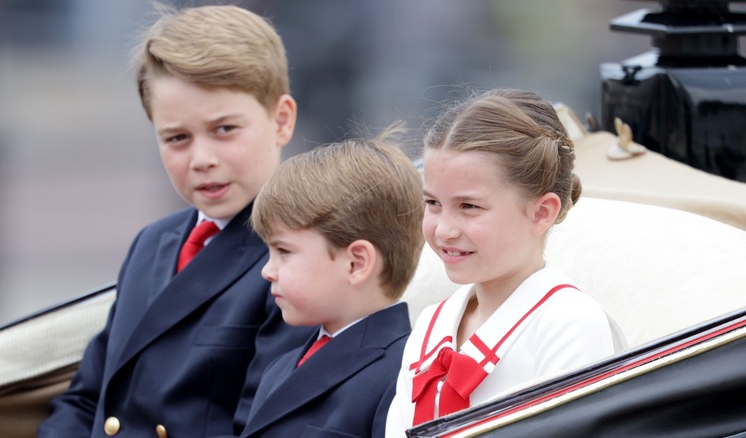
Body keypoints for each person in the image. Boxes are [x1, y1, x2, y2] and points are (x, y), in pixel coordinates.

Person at [38, 5, 314, 437]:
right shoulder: (153, 242)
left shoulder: (301, 256)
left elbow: (266, 423)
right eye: (177, 138)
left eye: (224, 129)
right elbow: (89, 395)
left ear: (281, 121)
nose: (202, 159)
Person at [385, 88, 617, 434]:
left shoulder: (571, 325)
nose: (444, 229)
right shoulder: (432, 324)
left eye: (469, 207)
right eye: (433, 203)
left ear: (541, 212)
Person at [239, 125, 425, 438]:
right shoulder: (279, 369)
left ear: (356, 263)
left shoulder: (405, 375)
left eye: (284, 251)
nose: (267, 271)